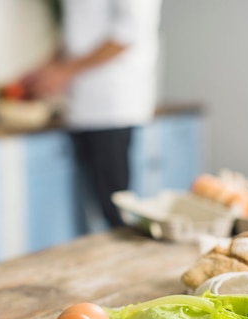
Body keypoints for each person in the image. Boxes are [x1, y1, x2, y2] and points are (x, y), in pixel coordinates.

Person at [23, 0, 163, 228]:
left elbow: (129, 31)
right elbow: (78, 35)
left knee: (116, 211)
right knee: (90, 211)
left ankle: (128, 262)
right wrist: (46, 68)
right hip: (82, 107)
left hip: (112, 105)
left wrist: (65, 72)